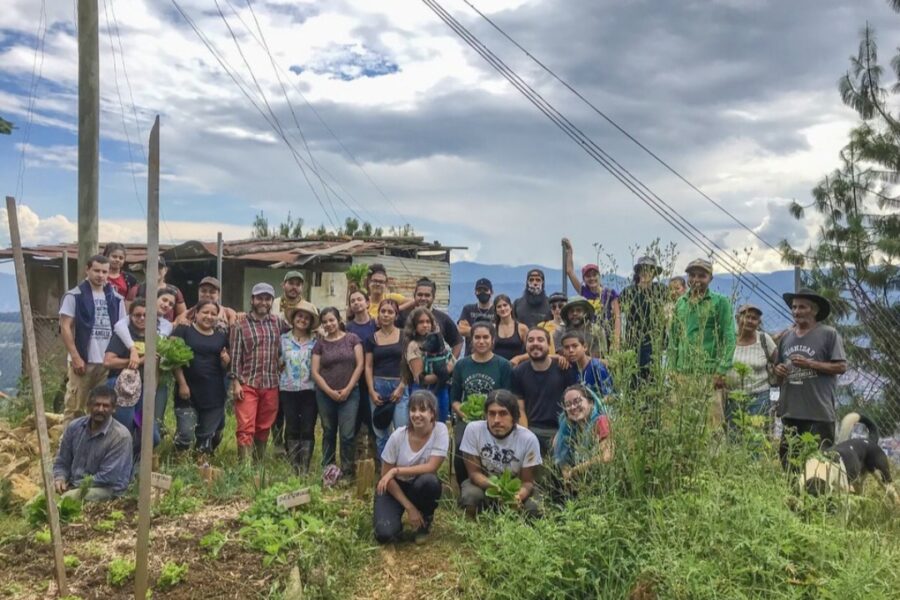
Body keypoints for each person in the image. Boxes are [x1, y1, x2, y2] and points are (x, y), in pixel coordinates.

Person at [773, 289, 847, 469]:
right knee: (789, 464)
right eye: (794, 307)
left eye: (802, 307)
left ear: (814, 310)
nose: (796, 311)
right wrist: (779, 370)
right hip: (791, 412)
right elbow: (776, 371)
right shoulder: (786, 338)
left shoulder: (829, 334)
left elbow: (840, 367)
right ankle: (792, 497)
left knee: (819, 466)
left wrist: (811, 364)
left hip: (818, 413)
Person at [667, 259, 736, 428]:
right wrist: (672, 369)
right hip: (682, 374)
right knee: (681, 425)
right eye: (692, 275)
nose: (696, 279)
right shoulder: (680, 304)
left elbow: (729, 338)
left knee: (711, 426)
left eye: (702, 275)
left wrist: (721, 370)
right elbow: (674, 340)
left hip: (708, 374)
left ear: (710, 278)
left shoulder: (720, 302)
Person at [373, 390, 448, 544]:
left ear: (432, 413)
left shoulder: (440, 430)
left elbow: (432, 467)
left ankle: (424, 522)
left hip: (418, 485)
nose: (417, 414)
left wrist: (396, 470)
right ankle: (397, 521)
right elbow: (386, 476)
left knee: (430, 482)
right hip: (394, 486)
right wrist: (409, 507)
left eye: (422, 410)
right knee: (385, 535)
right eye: (413, 410)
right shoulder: (398, 436)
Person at [59, 254, 125, 421]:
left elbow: (121, 329)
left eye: (104, 271)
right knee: (75, 407)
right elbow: (65, 326)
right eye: (96, 270)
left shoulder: (116, 299)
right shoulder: (74, 295)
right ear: (87, 270)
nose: (100, 275)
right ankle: (68, 444)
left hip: (106, 363)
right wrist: (75, 356)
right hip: (83, 361)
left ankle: (95, 445)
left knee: (100, 409)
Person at [459, 389, 542, 519]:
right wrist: (497, 489)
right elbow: (474, 473)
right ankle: (475, 527)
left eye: (503, 414)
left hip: (516, 487)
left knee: (535, 507)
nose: (496, 420)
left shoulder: (528, 439)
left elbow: (528, 482)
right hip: (484, 485)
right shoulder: (473, 430)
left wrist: (517, 496)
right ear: (485, 415)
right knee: (470, 496)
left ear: (514, 417)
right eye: (492, 414)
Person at [449, 322, 513, 486]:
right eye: (477, 337)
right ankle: (465, 487)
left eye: (486, 337)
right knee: (461, 448)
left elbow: (508, 397)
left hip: (496, 418)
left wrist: (492, 415)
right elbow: (455, 399)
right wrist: (463, 413)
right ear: (471, 340)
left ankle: (496, 486)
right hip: (467, 419)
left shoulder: (503, 365)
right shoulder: (462, 365)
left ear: (492, 340)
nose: (481, 341)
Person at [230, 283, 283, 462]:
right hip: (248, 382)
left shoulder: (278, 323)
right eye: (259, 298)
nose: (263, 302)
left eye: (267, 299)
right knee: (246, 426)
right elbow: (235, 356)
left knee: (264, 426)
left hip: (271, 382)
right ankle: (244, 468)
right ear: (252, 300)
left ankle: (258, 462)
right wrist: (236, 383)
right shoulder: (240, 324)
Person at [52, 385, 133, 502]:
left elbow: (107, 477)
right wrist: (60, 478)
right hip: (75, 485)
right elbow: (62, 461)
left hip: (106, 489)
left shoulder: (121, 437)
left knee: (64, 500)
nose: (100, 409)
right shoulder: (74, 427)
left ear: (114, 409)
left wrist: (74, 486)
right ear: (88, 406)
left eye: (106, 406)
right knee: (41, 499)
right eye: (96, 405)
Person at [171, 300, 231, 455]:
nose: (209, 316)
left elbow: (224, 368)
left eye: (213, 314)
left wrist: (226, 362)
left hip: (214, 394)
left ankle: (201, 471)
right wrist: (182, 384)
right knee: (185, 434)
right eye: (205, 312)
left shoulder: (221, 337)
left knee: (205, 440)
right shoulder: (184, 331)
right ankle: (179, 464)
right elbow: (173, 359)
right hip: (187, 392)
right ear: (196, 313)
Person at [113, 287, 177, 431]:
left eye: (171, 304)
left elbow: (160, 345)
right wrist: (133, 349)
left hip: (156, 377)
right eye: (164, 300)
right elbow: (118, 326)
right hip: (131, 378)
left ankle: (146, 448)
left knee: (153, 419)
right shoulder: (136, 317)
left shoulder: (166, 326)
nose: (167, 305)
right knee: (133, 419)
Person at [312, 307, 365, 476]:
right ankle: (328, 470)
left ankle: (347, 472)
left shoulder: (352, 339)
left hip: (350, 394)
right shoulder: (320, 344)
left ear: (339, 320)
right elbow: (315, 371)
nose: (329, 324)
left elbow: (360, 365)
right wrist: (329, 391)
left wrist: (348, 389)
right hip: (325, 395)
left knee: (347, 434)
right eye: (325, 322)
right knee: (328, 432)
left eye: (331, 320)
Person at [511, 327, 576, 455]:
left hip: (560, 429)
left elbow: (572, 406)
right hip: (532, 429)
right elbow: (520, 409)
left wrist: (562, 433)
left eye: (540, 340)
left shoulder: (564, 368)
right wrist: (526, 435)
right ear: (526, 345)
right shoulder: (518, 372)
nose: (535, 343)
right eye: (531, 340)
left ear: (549, 344)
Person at [278, 302, 319, 473]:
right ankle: (294, 466)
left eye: (307, 318)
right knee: (292, 426)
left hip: (310, 389)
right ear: (293, 319)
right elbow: (277, 361)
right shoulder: (283, 339)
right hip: (288, 388)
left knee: (308, 427)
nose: (303, 320)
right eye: (300, 316)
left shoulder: (316, 341)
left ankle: (305, 468)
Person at [365, 298, 408, 458]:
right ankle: (385, 472)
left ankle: (401, 472)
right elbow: (368, 366)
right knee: (381, 433)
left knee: (401, 431)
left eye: (390, 312)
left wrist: (402, 386)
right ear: (378, 314)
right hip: (378, 386)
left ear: (396, 316)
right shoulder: (371, 338)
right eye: (383, 311)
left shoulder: (404, 336)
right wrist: (371, 391)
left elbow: (408, 364)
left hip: (399, 387)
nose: (386, 315)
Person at [563, 239, 621, 350]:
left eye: (594, 275)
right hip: (589, 336)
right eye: (588, 276)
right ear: (584, 279)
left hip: (608, 336)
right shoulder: (583, 291)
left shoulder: (610, 294)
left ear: (599, 276)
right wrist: (570, 251)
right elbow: (570, 271)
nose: (592, 278)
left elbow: (617, 317)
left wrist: (616, 340)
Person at [725, 304, 777, 427]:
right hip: (733, 398)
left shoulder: (764, 339)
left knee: (756, 439)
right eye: (746, 316)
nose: (749, 321)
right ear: (737, 318)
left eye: (754, 318)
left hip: (759, 398)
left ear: (758, 323)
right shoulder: (729, 340)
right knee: (734, 440)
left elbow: (778, 362)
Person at [103, 299, 150, 433]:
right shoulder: (123, 335)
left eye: (145, 315)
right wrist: (136, 361)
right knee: (125, 428)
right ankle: (121, 452)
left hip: (143, 388)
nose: (142, 318)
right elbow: (108, 362)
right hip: (123, 387)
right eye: (137, 315)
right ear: (130, 317)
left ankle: (135, 452)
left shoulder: (155, 335)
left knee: (148, 434)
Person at [619, 256, 668, 383]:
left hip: (657, 345)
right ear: (638, 272)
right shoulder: (629, 292)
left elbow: (670, 312)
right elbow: (617, 315)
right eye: (643, 269)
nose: (646, 272)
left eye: (650, 269)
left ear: (654, 273)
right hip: (634, 345)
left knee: (655, 381)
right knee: (634, 380)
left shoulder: (661, 290)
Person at [402, 307, 455, 423]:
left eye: (428, 322)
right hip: (423, 391)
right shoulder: (414, 346)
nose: (425, 325)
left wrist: (450, 367)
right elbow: (421, 379)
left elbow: (452, 359)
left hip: (442, 390)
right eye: (421, 322)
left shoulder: (439, 340)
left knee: (439, 426)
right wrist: (446, 371)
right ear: (414, 325)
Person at [552, 384, 613, 482]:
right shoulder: (567, 430)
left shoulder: (601, 421)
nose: (573, 407)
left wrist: (576, 470)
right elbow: (563, 462)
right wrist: (567, 474)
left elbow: (606, 456)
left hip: (604, 482)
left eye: (577, 401)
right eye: (568, 405)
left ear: (591, 402)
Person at [346, 289, 377, 445]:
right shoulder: (347, 328)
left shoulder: (376, 325)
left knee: (373, 419)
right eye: (353, 301)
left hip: (373, 378)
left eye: (360, 299)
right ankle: (353, 462)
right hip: (354, 379)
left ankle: (377, 461)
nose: (356, 303)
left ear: (367, 303)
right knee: (354, 420)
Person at [408, 277, 463, 359]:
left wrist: (451, 364)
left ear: (433, 297)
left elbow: (458, 342)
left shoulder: (442, 318)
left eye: (427, 295)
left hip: (436, 369)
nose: (423, 298)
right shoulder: (405, 315)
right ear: (414, 295)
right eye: (420, 295)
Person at [559, 332, 613, 400]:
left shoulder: (597, 367)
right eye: (566, 347)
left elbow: (610, 395)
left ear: (584, 347)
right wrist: (557, 357)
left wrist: (595, 408)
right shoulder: (567, 367)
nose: (571, 350)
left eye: (575, 346)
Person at [457, 278, 495, 356]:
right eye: (479, 290)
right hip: (470, 356)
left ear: (491, 292)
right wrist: (491, 330)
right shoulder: (468, 309)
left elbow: (501, 331)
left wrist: (471, 330)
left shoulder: (497, 310)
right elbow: (461, 330)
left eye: (485, 290)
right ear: (475, 292)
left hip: (492, 357)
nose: (482, 292)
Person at [493, 294, 528, 365]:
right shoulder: (492, 328)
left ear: (511, 307)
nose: (502, 309)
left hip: (517, 368)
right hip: (497, 367)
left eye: (505, 305)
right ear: (496, 311)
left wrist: (518, 358)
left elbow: (531, 351)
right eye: (499, 307)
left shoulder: (522, 328)